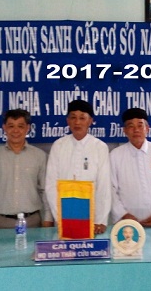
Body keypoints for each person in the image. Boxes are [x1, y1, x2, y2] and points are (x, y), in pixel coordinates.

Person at [0, 109, 53, 239]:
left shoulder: (40, 156)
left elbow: (45, 191)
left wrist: (48, 219)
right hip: (2, 223)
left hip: (32, 222)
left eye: (20, 126)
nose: (15, 131)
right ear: (4, 128)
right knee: (3, 260)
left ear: (27, 128)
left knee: (31, 258)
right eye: (11, 126)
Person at [45, 99, 111, 235]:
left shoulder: (99, 147)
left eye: (82, 118)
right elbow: (51, 185)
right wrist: (61, 218)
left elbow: (104, 186)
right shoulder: (59, 145)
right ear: (67, 120)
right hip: (64, 216)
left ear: (90, 121)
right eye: (73, 117)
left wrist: (100, 219)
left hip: (93, 219)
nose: (77, 122)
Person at [110, 108, 151, 227]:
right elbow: (111, 190)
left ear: (147, 128)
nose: (136, 130)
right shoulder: (115, 155)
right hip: (125, 223)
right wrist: (123, 215)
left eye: (140, 125)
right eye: (131, 126)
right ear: (124, 131)